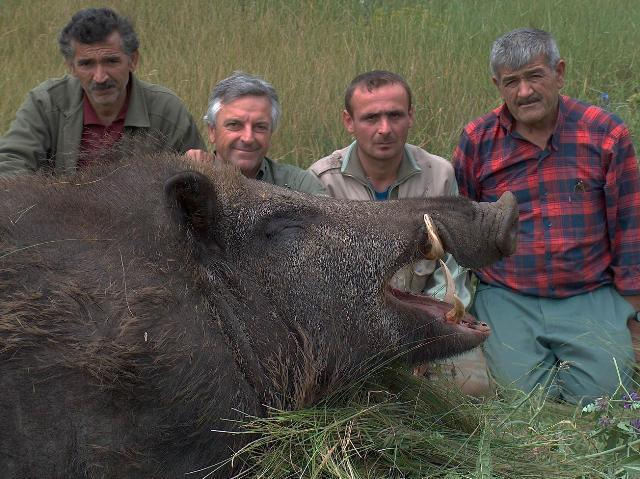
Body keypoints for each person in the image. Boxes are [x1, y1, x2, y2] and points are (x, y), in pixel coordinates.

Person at [453, 28, 640, 404]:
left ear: (559, 72)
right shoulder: (477, 139)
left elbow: (629, 224)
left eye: (535, 76)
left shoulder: (605, 133)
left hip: (588, 291)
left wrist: (633, 308)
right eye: (512, 82)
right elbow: (465, 224)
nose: (524, 92)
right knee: (521, 402)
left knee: (606, 396)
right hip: (509, 294)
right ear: (497, 85)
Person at [309, 71, 486, 394]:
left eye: (395, 115)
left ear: (411, 116)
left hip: (433, 319)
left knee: (472, 390)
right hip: (356, 329)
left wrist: (430, 333)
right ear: (348, 121)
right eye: (371, 118)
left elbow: (455, 268)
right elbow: (326, 285)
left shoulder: (439, 174)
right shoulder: (323, 182)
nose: (384, 129)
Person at [0, 7, 204, 176]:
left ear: (133, 60)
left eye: (111, 61)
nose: (100, 77)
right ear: (71, 67)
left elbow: (200, 178)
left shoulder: (167, 110)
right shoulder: (45, 103)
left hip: (142, 222)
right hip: (58, 220)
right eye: (86, 64)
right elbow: (10, 164)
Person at [186, 72, 325, 195]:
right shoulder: (189, 180)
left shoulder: (299, 185)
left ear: (271, 132)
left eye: (260, 126)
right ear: (212, 131)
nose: (248, 138)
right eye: (234, 125)